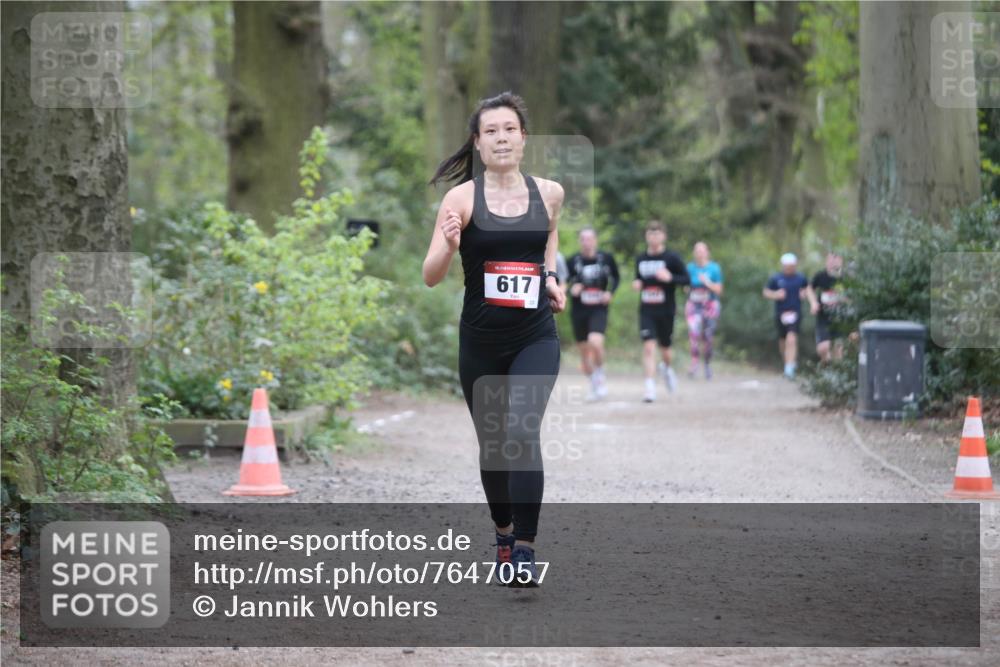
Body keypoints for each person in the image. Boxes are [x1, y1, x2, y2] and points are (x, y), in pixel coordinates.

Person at [422, 92, 565, 588]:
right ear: (478, 144)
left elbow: (548, 238)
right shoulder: (461, 200)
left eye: (509, 129)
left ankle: (525, 549)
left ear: (523, 138)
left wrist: (550, 277)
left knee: (522, 433)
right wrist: (450, 246)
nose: (501, 138)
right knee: (495, 446)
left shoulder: (549, 193)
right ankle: (503, 533)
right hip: (480, 341)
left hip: (534, 336)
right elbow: (430, 275)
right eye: (490, 131)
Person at [632, 221, 689, 402]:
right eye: (650, 233)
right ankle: (649, 387)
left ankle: (666, 368)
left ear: (663, 236)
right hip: (646, 310)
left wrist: (670, 277)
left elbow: (686, 279)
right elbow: (639, 279)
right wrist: (638, 283)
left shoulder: (672, 258)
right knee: (649, 347)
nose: (653, 237)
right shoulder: (641, 258)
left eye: (657, 234)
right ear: (646, 236)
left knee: (666, 348)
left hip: (666, 310)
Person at [566, 228, 620, 400]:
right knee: (584, 353)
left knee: (595, 342)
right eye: (583, 239)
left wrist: (610, 292)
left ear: (595, 240)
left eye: (589, 239)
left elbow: (616, 278)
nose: (586, 242)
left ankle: (600, 374)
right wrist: (571, 289)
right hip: (579, 310)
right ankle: (594, 383)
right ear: (579, 241)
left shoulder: (606, 258)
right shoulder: (572, 261)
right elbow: (562, 283)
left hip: (598, 308)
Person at [763, 253, 809, 379]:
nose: (789, 268)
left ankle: (789, 368)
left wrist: (804, 294)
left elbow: (808, 290)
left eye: (791, 266)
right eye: (787, 266)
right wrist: (775, 294)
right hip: (781, 313)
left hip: (795, 313)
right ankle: (787, 363)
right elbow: (766, 292)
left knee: (791, 338)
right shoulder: (776, 278)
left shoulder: (801, 279)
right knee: (783, 341)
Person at [685, 242, 723, 380]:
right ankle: (694, 362)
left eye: (702, 251)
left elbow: (719, 290)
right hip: (694, 304)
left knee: (708, 336)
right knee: (693, 333)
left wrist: (707, 283)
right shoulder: (690, 268)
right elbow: (685, 286)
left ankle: (707, 363)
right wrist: (688, 288)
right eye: (697, 251)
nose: (699, 253)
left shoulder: (714, 268)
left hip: (710, 305)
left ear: (707, 252)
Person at [807, 251, 845, 362]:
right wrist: (813, 303)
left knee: (838, 348)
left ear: (841, 261)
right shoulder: (820, 276)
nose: (832, 262)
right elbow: (809, 289)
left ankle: (836, 370)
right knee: (823, 348)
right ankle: (827, 365)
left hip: (841, 319)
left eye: (836, 259)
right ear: (826, 261)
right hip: (823, 318)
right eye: (830, 259)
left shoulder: (846, 277)